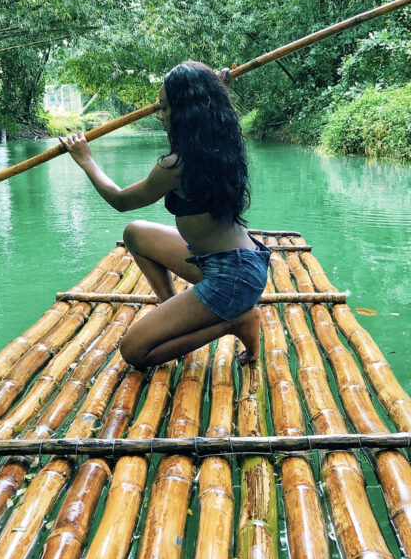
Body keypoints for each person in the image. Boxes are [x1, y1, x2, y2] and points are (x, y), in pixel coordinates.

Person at [58, 61, 270, 371]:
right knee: (135, 233)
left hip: (232, 278)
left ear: (187, 115)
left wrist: (86, 160)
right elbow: (210, 104)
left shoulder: (175, 167)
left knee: (134, 351)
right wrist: (218, 86)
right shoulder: (224, 143)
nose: (160, 114)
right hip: (237, 263)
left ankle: (236, 322)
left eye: (166, 107)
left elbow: (120, 199)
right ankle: (172, 311)